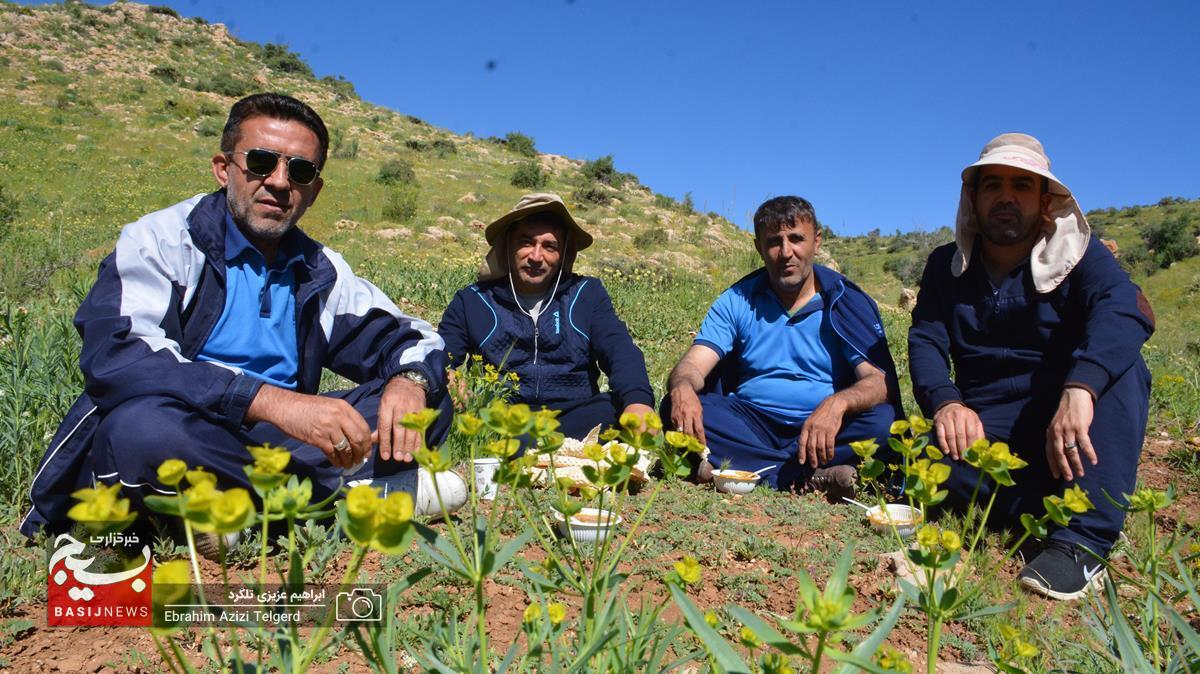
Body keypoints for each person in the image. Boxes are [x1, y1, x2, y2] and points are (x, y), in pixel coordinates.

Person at [21, 93, 464, 540]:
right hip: (191, 430)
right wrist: (271, 401)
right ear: (222, 167)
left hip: (278, 447)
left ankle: (239, 514)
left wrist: (410, 381)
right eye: (260, 162)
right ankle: (348, 498)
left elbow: (410, 337)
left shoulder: (317, 269)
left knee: (425, 404)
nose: (278, 181)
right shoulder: (163, 240)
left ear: (314, 189)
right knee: (138, 430)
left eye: (300, 171)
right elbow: (120, 355)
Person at [909, 133, 1154, 600]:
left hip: (1061, 425)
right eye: (993, 185)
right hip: (983, 432)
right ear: (974, 198)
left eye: (1022, 186)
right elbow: (925, 338)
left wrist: (1081, 387)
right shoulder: (946, 265)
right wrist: (945, 404)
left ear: (1045, 203)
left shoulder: (1082, 257)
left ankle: (1084, 541)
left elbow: (1125, 308)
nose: (1006, 197)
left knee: (1124, 369)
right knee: (916, 458)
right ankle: (1032, 510)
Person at [663, 196, 902, 498]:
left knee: (883, 422)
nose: (786, 252)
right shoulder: (738, 299)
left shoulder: (842, 301)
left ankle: (737, 469)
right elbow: (694, 365)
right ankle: (807, 477)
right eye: (774, 241)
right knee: (677, 406)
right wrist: (682, 388)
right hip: (751, 421)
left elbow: (879, 381)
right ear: (758, 248)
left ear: (817, 242)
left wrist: (836, 404)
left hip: (824, 426)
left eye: (796, 239)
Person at [438, 193, 655, 440]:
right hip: (500, 417)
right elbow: (441, 354)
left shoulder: (586, 294)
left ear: (563, 253)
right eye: (526, 242)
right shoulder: (472, 300)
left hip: (575, 415)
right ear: (508, 245)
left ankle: (534, 449)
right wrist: (448, 376)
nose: (536, 256)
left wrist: (638, 402)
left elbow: (619, 349)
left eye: (549, 246)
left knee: (615, 409)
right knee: (435, 405)